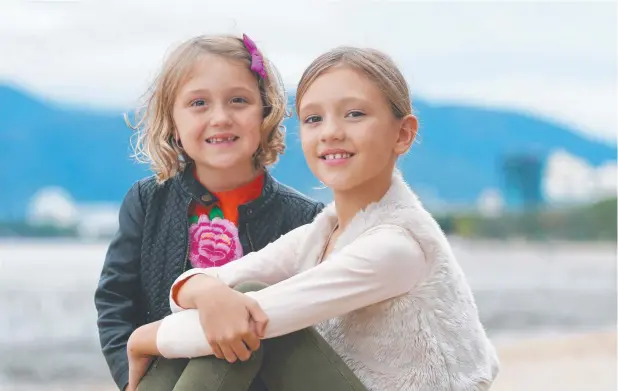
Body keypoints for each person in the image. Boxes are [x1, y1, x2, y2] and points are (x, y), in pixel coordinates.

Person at [126, 46, 500, 391]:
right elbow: (205, 286)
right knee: (231, 305)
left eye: (355, 114)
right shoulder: (322, 232)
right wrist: (205, 291)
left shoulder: (397, 246)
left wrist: (142, 339)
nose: (331, 132)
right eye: (313, 118)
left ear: (402, 134)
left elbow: (252, 319)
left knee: (244, 311)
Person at [94, 33, 323, 391]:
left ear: (266, 111)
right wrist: (130, 381)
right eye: (199, 103)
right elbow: (115, 301)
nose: (221, 117)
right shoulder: (146, 201)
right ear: (172, 120)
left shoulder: (304, 218)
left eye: (238, 100)